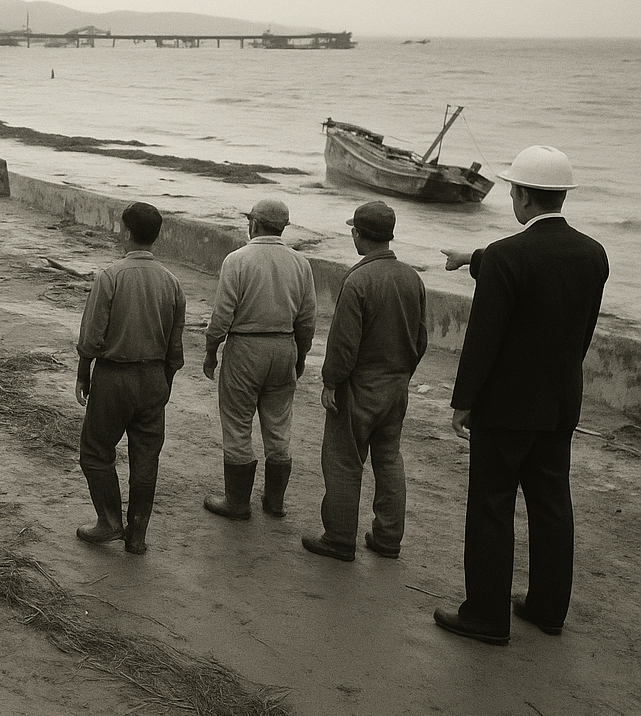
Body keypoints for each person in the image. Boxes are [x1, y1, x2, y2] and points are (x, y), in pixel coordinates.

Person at [433, 146, 608, 646]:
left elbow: (483, 339)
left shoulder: (509, 256)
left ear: (524, 197)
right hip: (559, 405)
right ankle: (547, 609)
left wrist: (462, 401)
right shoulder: (593, 253)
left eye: (513, 191)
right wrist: (474, 258)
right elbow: (578, 326)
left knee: (491, 505)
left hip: (505, 410)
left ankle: (486, 616)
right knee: (552, 504)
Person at [301, 201, 428, 562]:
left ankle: (340, 538)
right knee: (389, 460)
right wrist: (403, 374)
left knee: (343, 460)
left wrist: (331, 382)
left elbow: (343, 343)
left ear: (359, 234)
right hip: (396, 385)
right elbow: (421, 339)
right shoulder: (412, 277)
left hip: (360, 385)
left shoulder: (357, 280)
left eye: (353, 231)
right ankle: (388, 539)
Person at [74, 202, 187, 555]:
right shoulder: (171, 282)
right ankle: (136, 535)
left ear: (126, 232)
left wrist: (84, 374)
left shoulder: (111, 276)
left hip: (114, 376)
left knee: (95, 452)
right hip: (154, 377)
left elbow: (92, 335)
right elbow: (176, 345)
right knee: (146, 457)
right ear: (156, 236)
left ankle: (109, 521)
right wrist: (164, 382)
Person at [203, 198, 316, 521]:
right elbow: (307, 320)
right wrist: (301, 355)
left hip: (246, 347)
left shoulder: (237, 260)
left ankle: (237, 503)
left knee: (238, 424)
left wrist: (212, 351)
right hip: (284, 345)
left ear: (253, 223)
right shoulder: (300, 263)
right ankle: (275, 501)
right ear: (283, 227)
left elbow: (222, 316)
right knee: (279, 425)